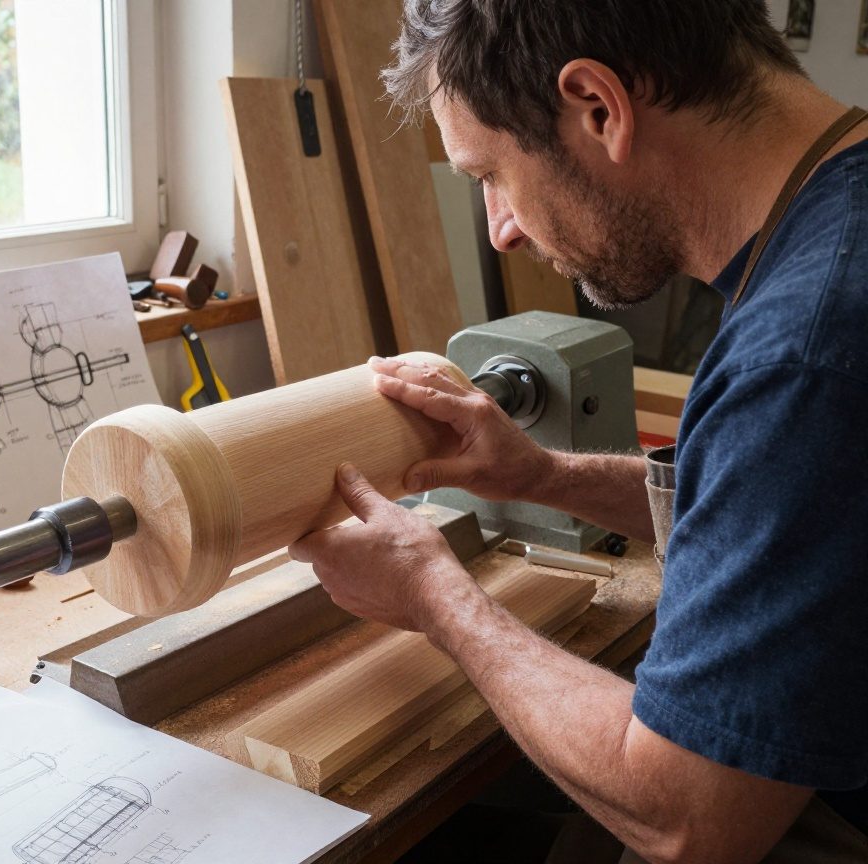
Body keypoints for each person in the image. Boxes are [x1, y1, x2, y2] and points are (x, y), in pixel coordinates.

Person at [287, 2, 868, 861]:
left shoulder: (805, 351)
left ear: (599, 107)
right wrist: (542, 476)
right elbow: (783, 514)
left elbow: (686, 818)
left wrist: (434, 596)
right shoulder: (833, 226)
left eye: (491, 173)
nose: (501, 227)